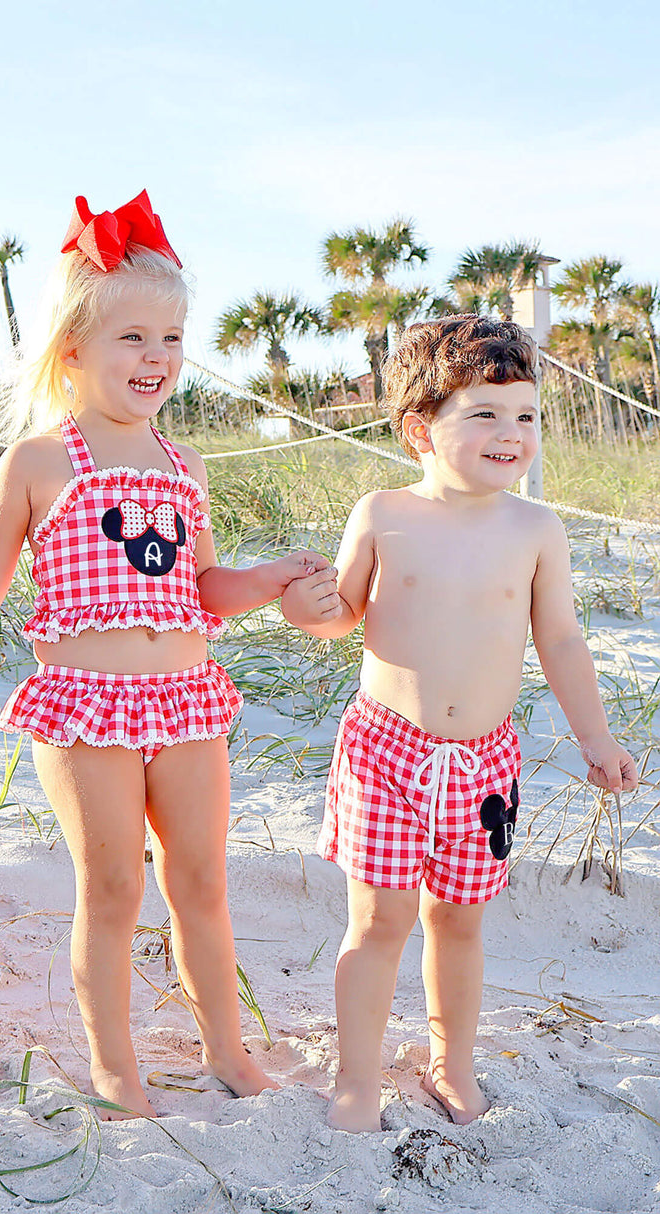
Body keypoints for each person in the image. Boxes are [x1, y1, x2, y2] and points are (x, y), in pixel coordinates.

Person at [0, 191, 334, 1118]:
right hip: (84, 701)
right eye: (132, 340)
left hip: (185, 697)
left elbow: (200, 590)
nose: (156, 359)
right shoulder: (41, 461)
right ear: (72, 347)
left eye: (172, 339)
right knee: (111, 887)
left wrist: (268, 576)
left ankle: (226, 1050)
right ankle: (115, 1066)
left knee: (201, 883)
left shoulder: (183, 464)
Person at [281, 314, 639, 1132]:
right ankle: (358, 1080)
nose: (510, 434)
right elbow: (345, 616)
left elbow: (561, 640)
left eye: (525, 416)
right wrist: (311, 611)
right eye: (483, 413)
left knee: (459, 921)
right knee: (377, 922)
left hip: (484, 761)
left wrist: (596, 737)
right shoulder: (383, 513)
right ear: (420, 428)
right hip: (385, 750)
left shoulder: (535, 530)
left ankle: (452, 1065)